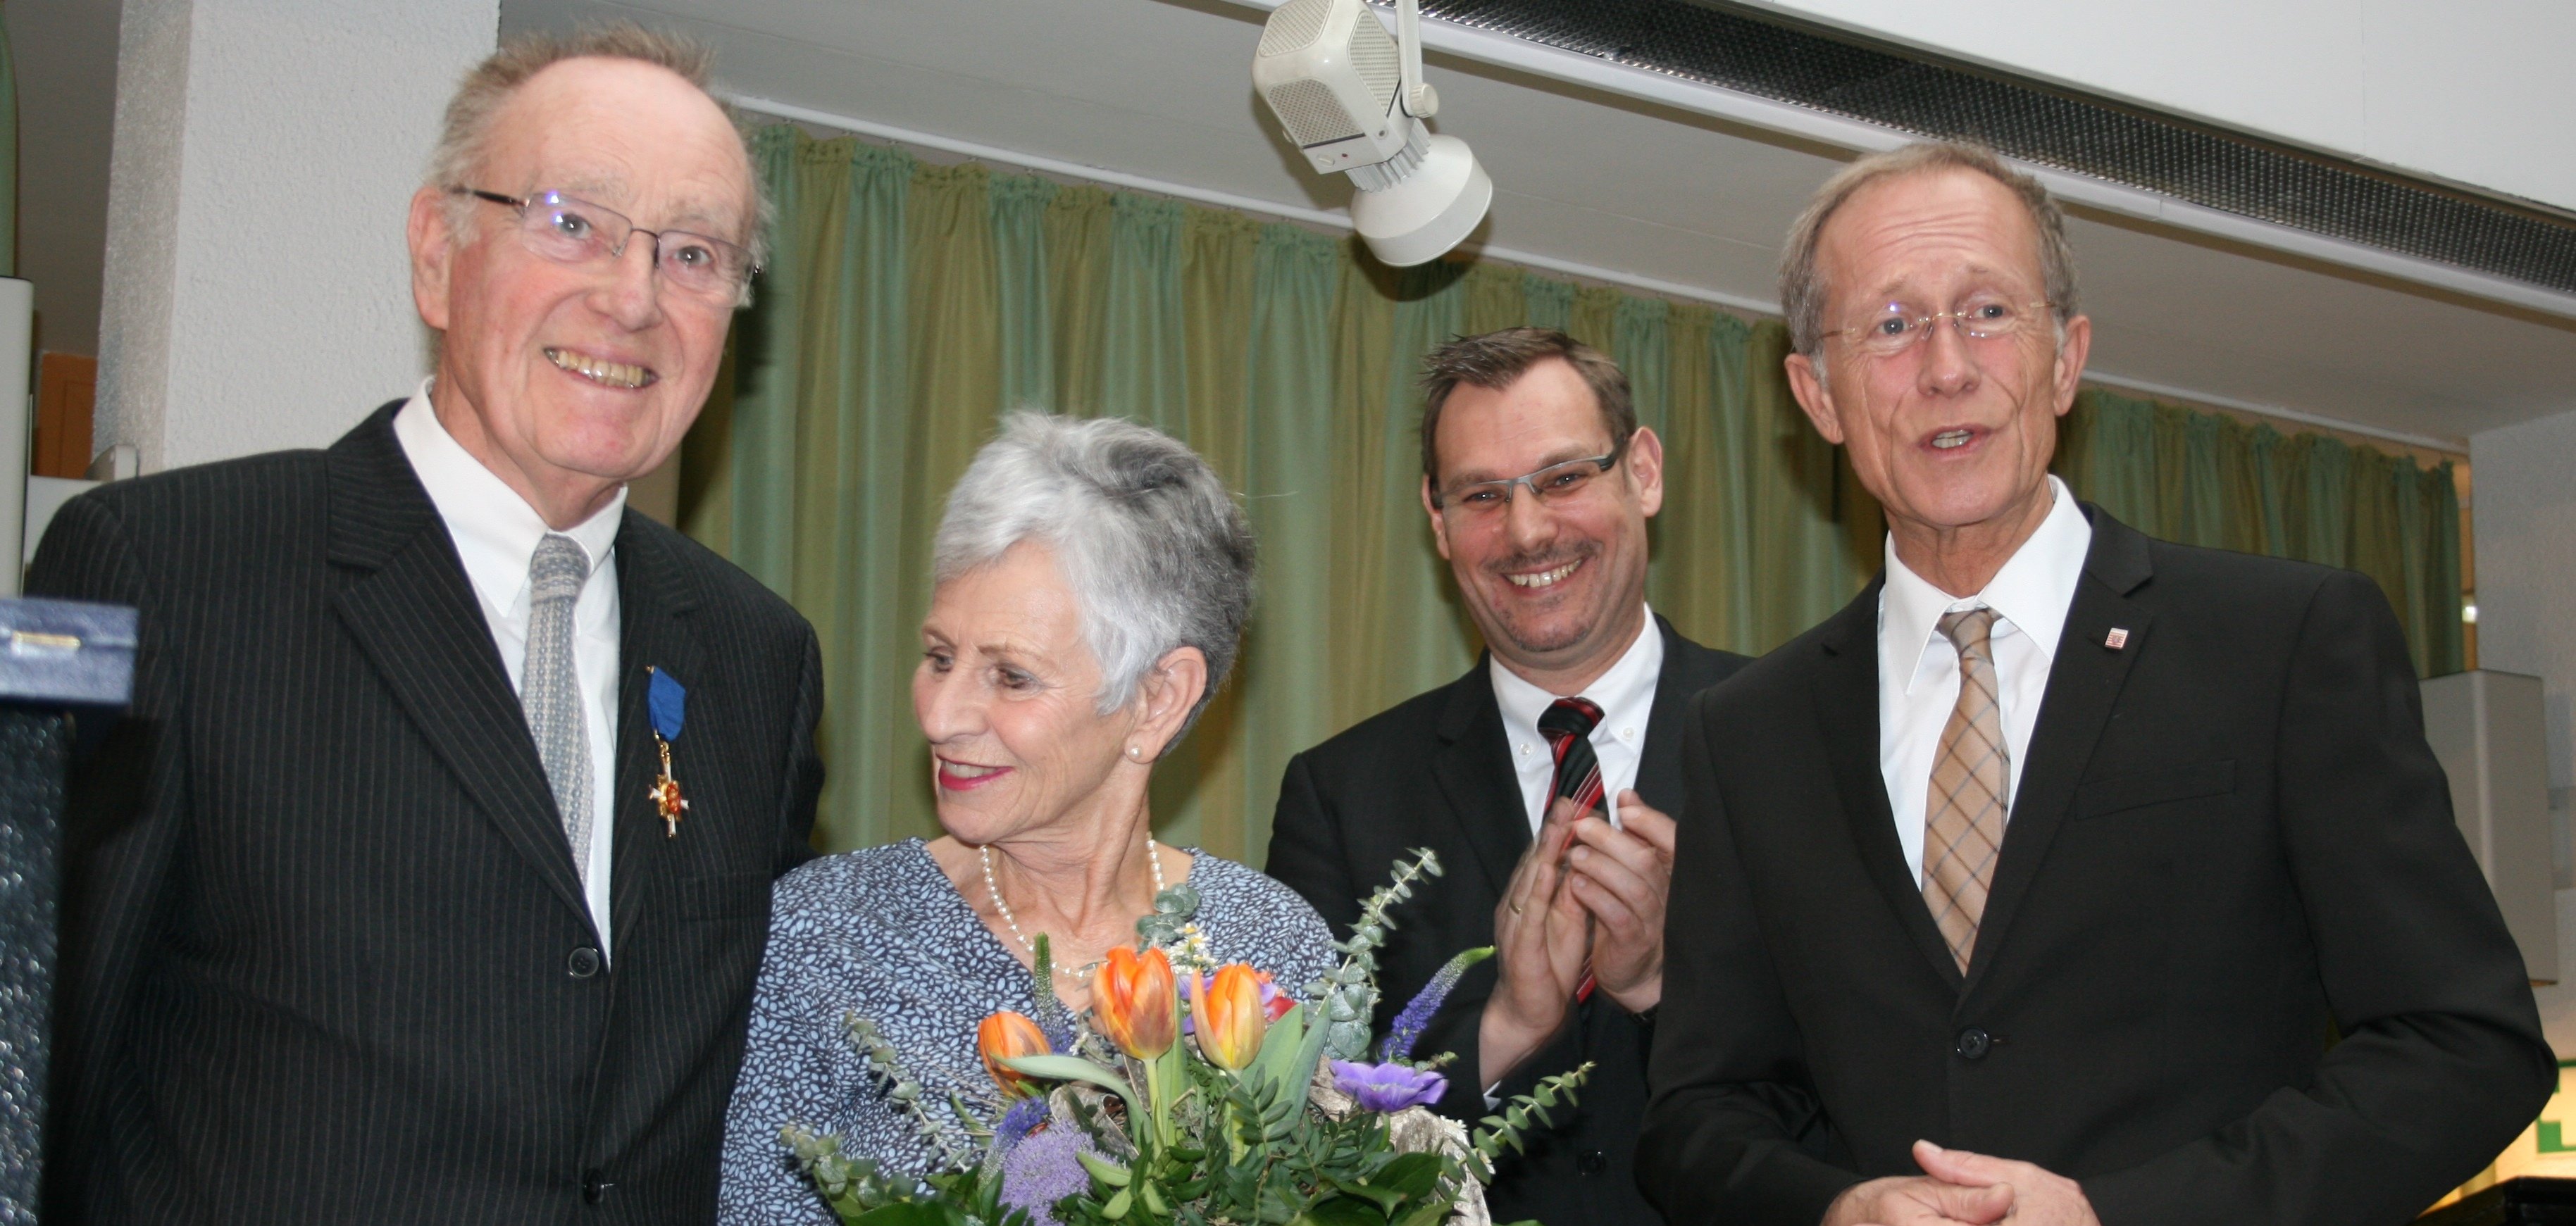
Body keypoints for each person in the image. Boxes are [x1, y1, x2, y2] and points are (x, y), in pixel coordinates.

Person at [1637, 141, 2553, 1226]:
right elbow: (1700, 1113)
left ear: (2065, 360)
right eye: (1890, 326)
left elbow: (2466, 1043)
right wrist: (1834, 1209)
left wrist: (2125, 1216)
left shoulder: (2284, 641)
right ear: (1816, 394)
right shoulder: (1750, 733)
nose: (1944, 367)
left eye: (1986, 312)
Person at [28, 27, 823, 1225]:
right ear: (436, 256)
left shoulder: (759, 660)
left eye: (695, 254)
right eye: (571, 221)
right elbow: (35, 1065)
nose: (631, 296)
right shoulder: (166, 570)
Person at [717, 413, 1337, 1222]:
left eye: (1010, 677)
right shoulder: (820, 934)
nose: (941, 715)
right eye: (940, 656)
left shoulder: (1272, 943)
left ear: (1157, 699)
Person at [1267, 328, 1747, 1226]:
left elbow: (1869, 1085)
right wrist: (1507, 1026)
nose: (1527, 531)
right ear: (1437, 519)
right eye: (1482, 494)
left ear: (1642, 472)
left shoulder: (1795, 740)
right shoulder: (1340, 794)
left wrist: (1662, 982)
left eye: (1564, 478)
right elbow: (1300, 1146)